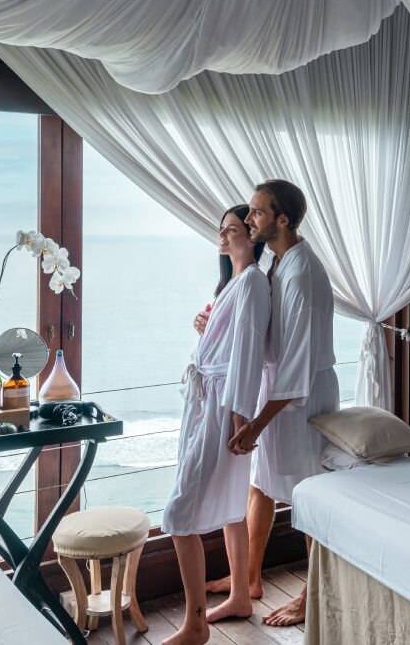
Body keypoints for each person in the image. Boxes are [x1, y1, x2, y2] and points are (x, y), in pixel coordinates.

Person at [221, 179, 339, 627]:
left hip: (301, 396)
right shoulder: (277, 261)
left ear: (282, 220)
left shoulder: (301, 273)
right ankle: (248, 580)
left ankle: (311, 597)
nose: (248, 218)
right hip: (279, 388)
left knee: (309, 496)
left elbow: (297, 365)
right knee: (262, 484)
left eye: (257, 212)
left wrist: (256, 423)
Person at [161, 204, 270, 645]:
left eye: (231, 230)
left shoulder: (253, 283)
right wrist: (205, 329)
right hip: (212, 400)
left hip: (224, 408)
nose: (221, 237)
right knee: (231, 506)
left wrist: (242, 416)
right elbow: (229, 342)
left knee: (178, 514)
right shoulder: (234, 284)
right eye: (220, 229)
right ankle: (241, 596)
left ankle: (195, 624)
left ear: (253, 236)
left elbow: (248, 352)